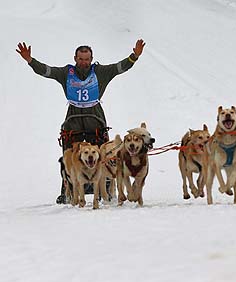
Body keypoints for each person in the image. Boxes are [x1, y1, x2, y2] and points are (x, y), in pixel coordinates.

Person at [16, 39, 146, 204]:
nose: (84, 62)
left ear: (91, 59)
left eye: (87, 59)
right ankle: (67, 190)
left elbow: (119, 67)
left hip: (95, 118)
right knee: (69, 157)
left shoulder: (100, 72)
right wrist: (30, 61)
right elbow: (47, 71)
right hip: (73, 119)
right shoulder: (66, 73)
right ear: (75, 58)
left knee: (102, 155)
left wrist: (134, 56)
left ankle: (105, 189)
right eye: (81, 59)